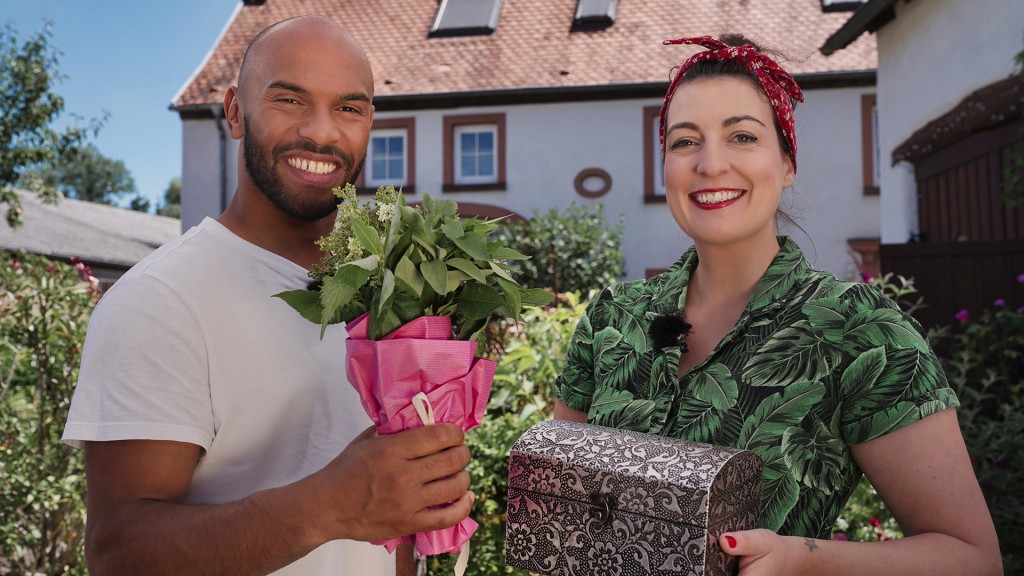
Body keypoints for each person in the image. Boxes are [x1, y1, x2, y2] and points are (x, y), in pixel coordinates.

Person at [554, 34, 1002, 575]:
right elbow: (564, 524)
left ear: (787, 164)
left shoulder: (861, 331)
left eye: (742, 135)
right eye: (683, 141)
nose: (710, 164)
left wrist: (804, 562)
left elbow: (972, 559)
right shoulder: (610, 319)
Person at [62, 16, 472, 576]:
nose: (324, 133)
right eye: (290, 100)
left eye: (349, 108)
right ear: (235, 111)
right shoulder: (159, 300)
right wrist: (328, 507)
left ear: (370, 122)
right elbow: (118, 553)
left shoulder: (390, 288)